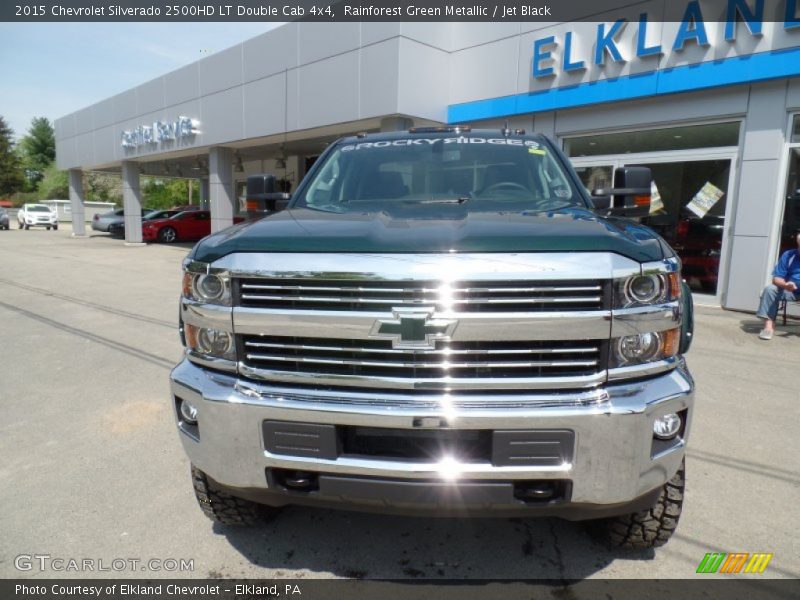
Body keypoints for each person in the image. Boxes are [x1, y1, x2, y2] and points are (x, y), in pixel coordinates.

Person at [757, 231, 800, 340]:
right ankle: (768, 327)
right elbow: (776, 279)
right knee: (770, 289)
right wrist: (786, 285)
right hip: (791, 291)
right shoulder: (789, 255)